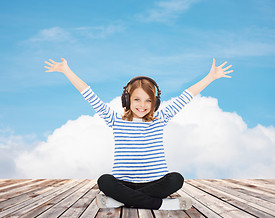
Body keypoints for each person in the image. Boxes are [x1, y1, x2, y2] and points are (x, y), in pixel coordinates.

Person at [44, 58, 233, 210]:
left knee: (176, 179)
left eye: (148, 101)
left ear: (154, 103)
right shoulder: (115, 120)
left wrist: (211, 77)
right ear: (126, 100)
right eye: (136, 99)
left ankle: (120, 202)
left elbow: (186, 96)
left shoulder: (161, 118)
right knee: (104, 181)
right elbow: (89, 94)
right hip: (123, 184)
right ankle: (161, 205)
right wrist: (66, 71)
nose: (142, 105)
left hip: (155, 183)